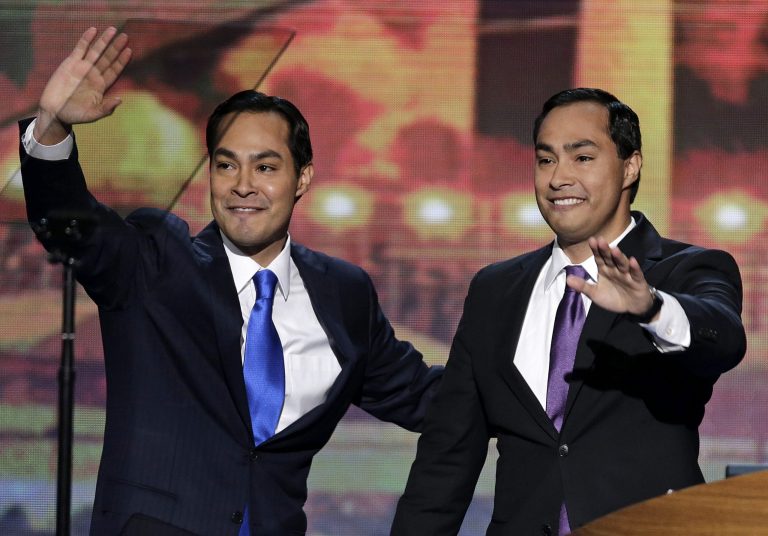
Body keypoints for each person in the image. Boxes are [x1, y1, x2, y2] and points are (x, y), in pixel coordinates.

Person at [19, 27, 442, 535]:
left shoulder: (343, 292)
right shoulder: (156, 261)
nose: (243, 185)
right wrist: (51, 130)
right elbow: (73, 224)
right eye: (227, 165)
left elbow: (426, 398)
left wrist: (549, 380)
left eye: (266, 167)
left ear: (302, 178)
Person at [391, 88, 746, 536]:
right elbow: (447, 455)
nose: (559, 177)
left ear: (630, 166)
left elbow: (724, 338)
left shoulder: (687, 269)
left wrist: (651, 306)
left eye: (582, 158)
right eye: (545, 160)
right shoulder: (494, 290)